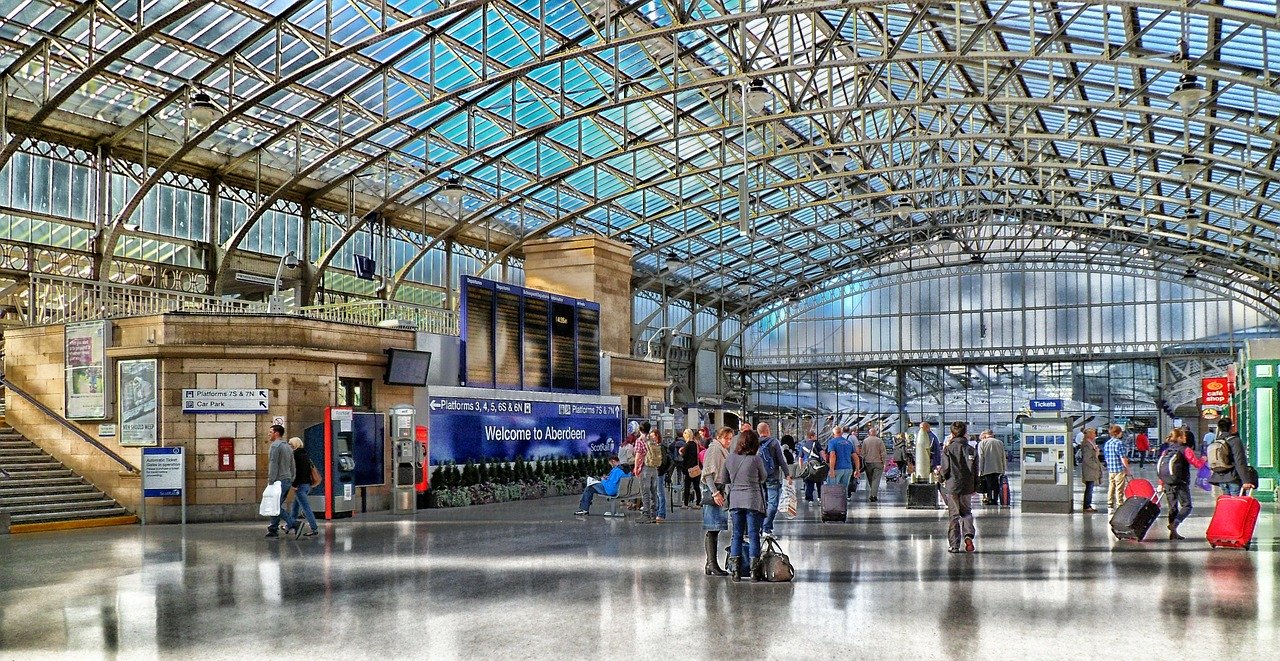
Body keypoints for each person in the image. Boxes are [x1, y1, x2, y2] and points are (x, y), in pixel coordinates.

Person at [723, 429, 767, 582]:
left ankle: (736, 572)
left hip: (735, 500)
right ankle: (754, 572)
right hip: (753, 500)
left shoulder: (730, 458)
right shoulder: (756, 460)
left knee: (736, 535)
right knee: (754, 535)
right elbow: (763, 477)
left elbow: (724, 479)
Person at [1157, 429, 1206, 540]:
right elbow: (1197, 464)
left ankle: (1173, 533)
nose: (1185, 438)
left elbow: (1163, 468)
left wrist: (1161, 483)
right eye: (1183, 436)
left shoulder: (1167, 450)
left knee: (1172, 508)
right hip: (1181, 483)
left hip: (1168, 483)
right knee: (1187, 506)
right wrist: (1203, 460)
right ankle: (1175, 524)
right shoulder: (1186, 450)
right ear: (1179, 437)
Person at [939, 421, 979, 553]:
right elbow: (975, 469)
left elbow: (945, 469)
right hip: (967, 486)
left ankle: (954, 545)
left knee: (954, 516)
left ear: (952, 433)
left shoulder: (948, 449)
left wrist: (940, 479)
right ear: (965, 433)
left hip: (952, 486)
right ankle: (968, 536)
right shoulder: (971, 449)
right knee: (966, 512)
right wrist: (974, 486)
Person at [701, 427, 734, 576]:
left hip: (719, 490)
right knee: (712, 528)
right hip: (714, 491)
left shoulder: (722, 450)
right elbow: (708, 473)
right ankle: (712, 564)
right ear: (719, 437)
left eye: (730, 438)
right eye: (726, 438)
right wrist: (715, 493)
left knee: (715, 528)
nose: (728, 441)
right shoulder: (714, 450)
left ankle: (710, 563)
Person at [755, 422, 790, 540]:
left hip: (758, 477)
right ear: (768, 430)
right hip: (772, 476)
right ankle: (766, 528)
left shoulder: (754, 443)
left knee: (761, 503)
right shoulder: (774, 442)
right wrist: (787, 474)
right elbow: (781, 460)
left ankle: (760, 527)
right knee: (773, 504)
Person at [1207, 418, 1256, 496]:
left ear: (1219, 429)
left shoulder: (1217, 441)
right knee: (1237, 504)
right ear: (1231, 427)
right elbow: (1240, 461)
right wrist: (1246, 480)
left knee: (1228, 504)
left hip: (1221, 477)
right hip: (1233, 477)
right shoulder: (1235, 441)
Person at [264, 424, 298, 539]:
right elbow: (293, 464)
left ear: (276, 433)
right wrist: (292, 477)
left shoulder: (275, 446)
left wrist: (271, 480)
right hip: (287, 479)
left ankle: (293, 523)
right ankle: (273, 529)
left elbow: (273, 464)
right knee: (276, 505)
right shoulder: (288, 446)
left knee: (275, 506)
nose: (268, 434)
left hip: (278, 481)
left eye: (270, 432)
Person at [633, 428, 667, 523]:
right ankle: (653, 514)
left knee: (645, 492)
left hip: (646, 468)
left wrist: (636, 468)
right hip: (654, 468)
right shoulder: (655, 443)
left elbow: (638, 456)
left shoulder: (642, 441)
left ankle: (646, 515)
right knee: (654, 491)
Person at [287, 437, 319, 538]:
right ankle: (289, 525)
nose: (289, 446)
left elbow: (298, 473)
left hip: (300, 485)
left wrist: (294, 485)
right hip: (307, 484)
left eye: (290, 444)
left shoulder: (296, 455)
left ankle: (314, 528)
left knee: (306, 508)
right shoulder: (305, 454)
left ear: (294, 445)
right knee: (295, 507)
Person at [1103, 424, 1132, 511]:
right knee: (1119, 487)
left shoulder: (1107, 443)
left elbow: (1106, 457)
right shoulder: (1119, 443)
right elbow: (1123, 457)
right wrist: (1127, 469)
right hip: (1119, 469)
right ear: (1118, 433)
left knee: (1111, 486)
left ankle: (1110, 502)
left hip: (1111, 469)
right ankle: (1120, 503)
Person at [977, 430, 1006, 506]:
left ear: (985, 435)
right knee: (996, 484)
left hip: (987, 468)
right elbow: (1003, 456)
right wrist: (1003, 469)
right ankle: (995, 499)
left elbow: (981, 458)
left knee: (989, 484)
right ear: (992, 434)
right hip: (998, 467)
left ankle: (990, 498)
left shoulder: (982, 443)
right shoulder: (999, 442)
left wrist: (980, 470)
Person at [1079, 427, 1103, 513]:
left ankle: (1088, 505)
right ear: (1089, 435)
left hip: (1091, 469)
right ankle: (1087, 506)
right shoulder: (1087, 445)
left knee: (1090, 487)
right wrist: (1096, 466)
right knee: (1089, 487)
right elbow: (1087, 459)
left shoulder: (1091, 443)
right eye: (1093, 433)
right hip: (1090, 470)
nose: (1095, 435)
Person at [826, 425, 857, 490]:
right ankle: (843, 500)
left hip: (837, 468)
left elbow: (832, 455)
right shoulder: (848, 442)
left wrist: (831, 469)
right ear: (841, 433)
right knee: (843, 490)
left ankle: (834, 500)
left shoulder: (832, 442)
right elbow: (855, 457)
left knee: (833, 489)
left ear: (833, 434)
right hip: (848, 468)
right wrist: (857, 469)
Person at [860, 427, 887, 502]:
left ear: (869, 433)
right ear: (876, 433)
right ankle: (873, 495)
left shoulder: (865, 441)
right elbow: (883, 453)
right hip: (878, 462)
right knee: (876, 479)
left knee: (870, 479)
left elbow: (862, 453)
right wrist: (884, 462)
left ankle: (873, 493)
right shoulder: (879, 441)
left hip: (868, 462)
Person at [798, 430, 824, 503]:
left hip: (808, 465)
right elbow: (822, 453)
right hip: (817, 464)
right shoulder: (816, 443)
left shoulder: (803, 445)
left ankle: (810, 499)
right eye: (815, 436)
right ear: (811, 436)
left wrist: (801, 468)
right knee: (819, 481)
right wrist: (825, 461)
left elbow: (800, 458)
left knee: (809, 482)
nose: (816, 437)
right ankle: (819, 497)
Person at [681, 429, 702, 507]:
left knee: (687, 486)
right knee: (696, 486)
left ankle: (686, 503)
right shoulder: (695, 444)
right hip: (696, 467)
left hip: (688, 469)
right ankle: (698, 502)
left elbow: (685, 456)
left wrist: (681, 452)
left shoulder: (687, 445)